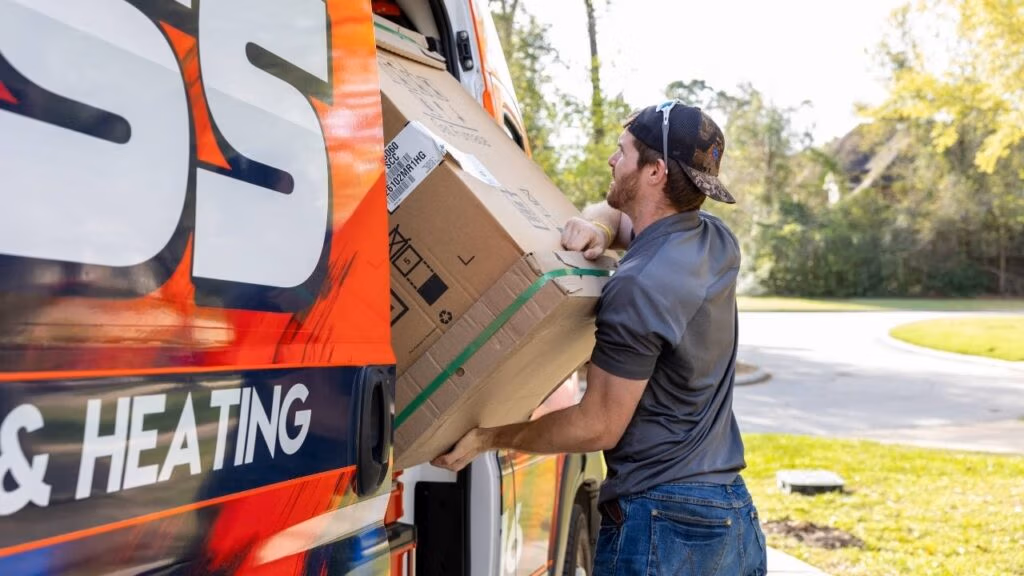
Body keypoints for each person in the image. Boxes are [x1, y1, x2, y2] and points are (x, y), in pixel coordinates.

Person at [433, 101, 767, 575]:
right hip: (731, 518)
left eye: (622, 151)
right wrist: (600, 226)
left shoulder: (638, 284)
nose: (612, 160)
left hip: (663, 526)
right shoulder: (714, 240)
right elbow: (615, 218)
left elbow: (597, 425)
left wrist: (489, 436)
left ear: (654, 172)